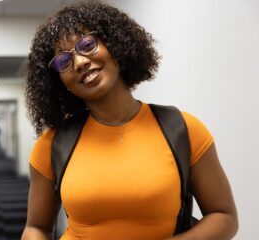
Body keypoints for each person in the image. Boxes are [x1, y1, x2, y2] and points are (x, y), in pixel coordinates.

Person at [21, 2, 238, 240]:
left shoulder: (183, 129)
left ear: (114, 45)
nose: (80, 62)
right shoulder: (52, 144)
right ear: (59, 81)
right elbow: (37, 228)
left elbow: (224, 216)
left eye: (87, 45)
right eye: (64, 61)